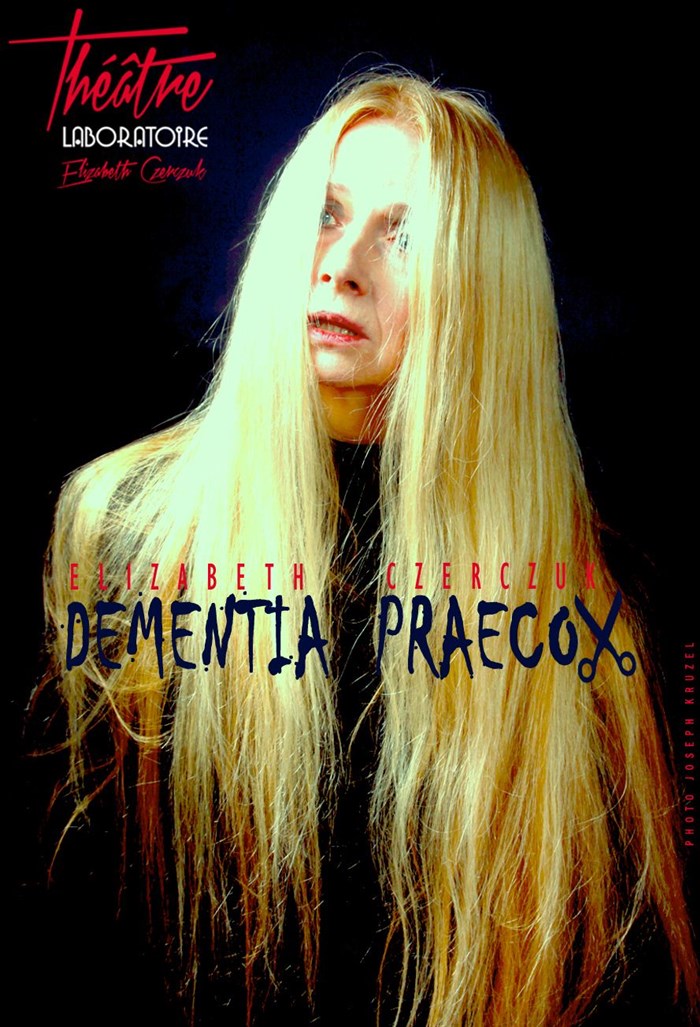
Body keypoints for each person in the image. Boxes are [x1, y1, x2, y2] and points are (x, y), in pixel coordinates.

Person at [41, 72, 698, 1026]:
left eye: (405, 236)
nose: (341, 266)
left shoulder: (599, 604)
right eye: (326, 214)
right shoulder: (119, 532)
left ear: (486, 292)